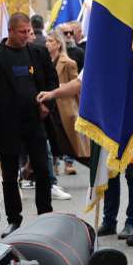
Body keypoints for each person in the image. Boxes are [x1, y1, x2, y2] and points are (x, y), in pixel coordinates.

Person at [0, 13, 59, 235]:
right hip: (6, 124)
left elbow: (52, 82)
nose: (26, 35)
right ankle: (14, 219)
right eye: (22, 32)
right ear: (10, 31)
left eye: (29, 31)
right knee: (9, 176)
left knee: (43, 170)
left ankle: (45, 215)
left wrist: (47, 104)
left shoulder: (38, 52)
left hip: (35, 122)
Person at [45, 28, 86, 188]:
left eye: (51, 41)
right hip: (50, 108)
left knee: (73, 145)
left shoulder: (69, 63)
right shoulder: (45, 61)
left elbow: (77, 86)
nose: (47, 44)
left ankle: (97, 171)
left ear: (58, 44)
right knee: (49, 143)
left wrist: (59, 88)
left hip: (65, 108)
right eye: (47, 41)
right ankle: (48, 174)